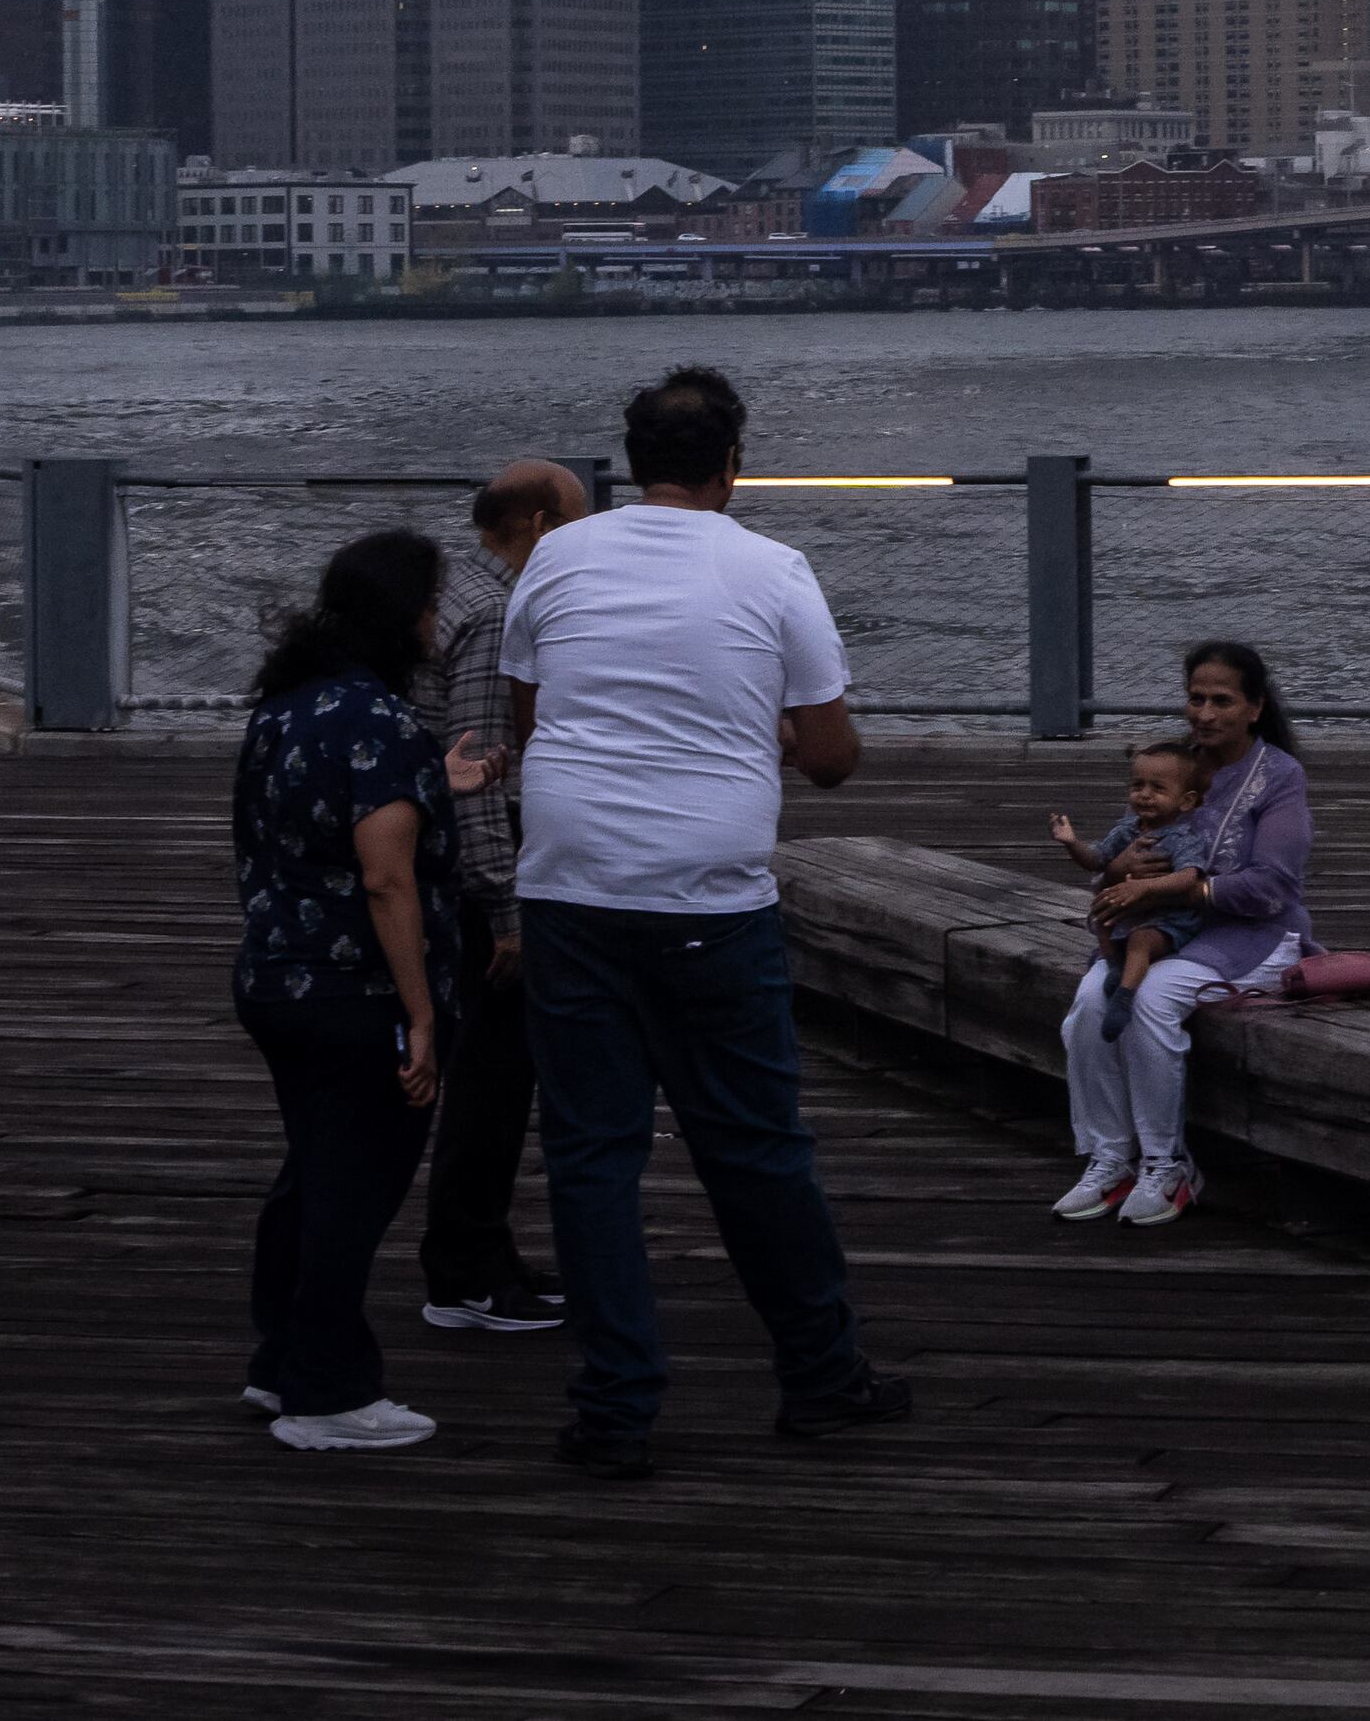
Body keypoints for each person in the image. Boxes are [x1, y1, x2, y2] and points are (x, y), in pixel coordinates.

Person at [501, 365, 904, 1474]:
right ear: (734, 464)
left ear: (631, 463)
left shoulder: (554, 559)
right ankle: (822, 1377)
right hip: (707, 893)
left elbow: (533, 719)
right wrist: (762, 734)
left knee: (590, 1153)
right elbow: (827, 760)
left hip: (569, 883)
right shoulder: (772, 570)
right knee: (754, 1145)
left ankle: (615, 1407)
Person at [230, 529, 465, 1452]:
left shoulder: (287, 705)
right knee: (352, 1191)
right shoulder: (385, 724)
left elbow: (316, 814)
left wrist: (433, 784)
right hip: (354, 991)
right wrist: (420, 1014)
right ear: (404, 616)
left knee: (310, 1174)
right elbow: (386, 877)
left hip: (275, 978)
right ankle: (326, 1392)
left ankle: (280, 1358)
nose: (437, 621)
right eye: (432, 605)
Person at [1054, 638, 1314, 1229]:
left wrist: (1169, 890)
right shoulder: (1172, 765)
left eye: (1222, 700)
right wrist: (1122, 874)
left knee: (1151, 998)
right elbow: (1119, 852)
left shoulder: (1279, 777)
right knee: (1091, 1003)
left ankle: (1167, 1163)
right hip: (1163, 931)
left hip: (1253, 932)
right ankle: (1110, 1156)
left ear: (1255, 706)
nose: (1204, 713)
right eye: (1195, 698)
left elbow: (1272, 886)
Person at [413, 458, 584, 1340]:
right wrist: (509, 911)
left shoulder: (452, 586)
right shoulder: (496, 613)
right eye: (575, 521)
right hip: (482, 873)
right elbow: (479, 770)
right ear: (537, 523)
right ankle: (465, 1268)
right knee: (492, 1077)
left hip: (447, 865)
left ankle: (481, 1252)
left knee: (491, 1073)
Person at [1051, 736, 1218, 1033]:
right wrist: (1071, 843)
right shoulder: (1127, 829)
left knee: (1141, 940)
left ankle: (1124, 998)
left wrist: (1144, 888)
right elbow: (1097, 858)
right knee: (1101, 918)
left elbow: (1190, 876)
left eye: (1158, 788)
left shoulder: (1183, 838)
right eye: (1137, 786)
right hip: (1132, 910)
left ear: (1186, 800)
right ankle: (1115, 967)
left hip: (1168, 919)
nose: (1144, 795)